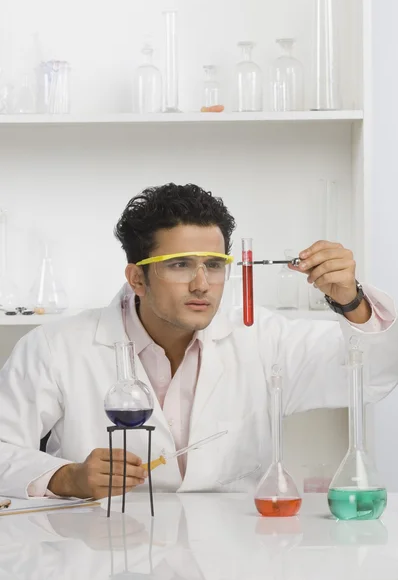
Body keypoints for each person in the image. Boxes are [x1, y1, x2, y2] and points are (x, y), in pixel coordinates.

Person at [0, 183, 397, 500]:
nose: (202, 285)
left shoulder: (264, 338)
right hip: (101, 547)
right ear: (137, 278)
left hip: (233, 549)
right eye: (180, 265)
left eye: (214, 265)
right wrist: (67, 478)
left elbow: (373, 376)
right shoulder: (55, 347)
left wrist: (352, 300)